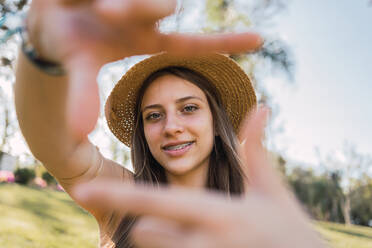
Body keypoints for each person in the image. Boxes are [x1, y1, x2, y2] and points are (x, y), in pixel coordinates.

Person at [15, 0, 325, 247]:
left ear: (217, 122)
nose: (171, 126)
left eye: (189, 108)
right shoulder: (124, 200)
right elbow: (54, 145)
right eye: (154, 115)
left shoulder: (257, 220)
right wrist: (43, 55)